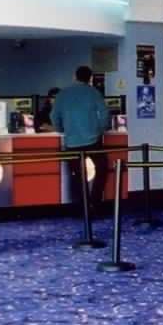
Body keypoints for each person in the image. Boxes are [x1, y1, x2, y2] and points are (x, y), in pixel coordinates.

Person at [50, 65, 110, 216]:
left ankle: (82, 208)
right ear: (90, 78)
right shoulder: (94, 92)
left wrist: (61, 129)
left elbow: (54, 116)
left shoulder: (63, 94)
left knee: (78, 175)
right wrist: (101, 129)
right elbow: (104, 114)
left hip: (72, 141)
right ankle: (95, 202)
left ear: (74, 76)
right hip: (93, 140)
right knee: (102, 168)